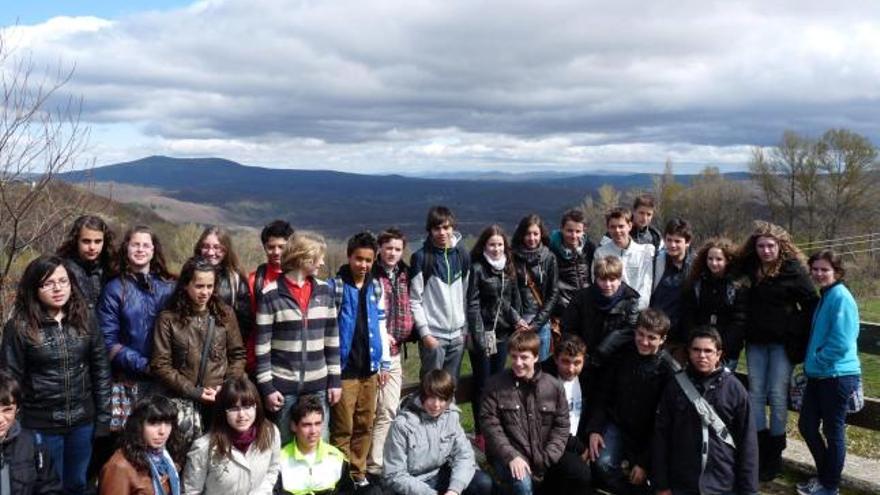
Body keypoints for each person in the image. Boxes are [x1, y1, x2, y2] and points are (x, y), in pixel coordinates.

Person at [1, 255, 112, 494]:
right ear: (34, 288)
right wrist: (14, 425)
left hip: (82, 421)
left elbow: (101, 369)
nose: (58, 288)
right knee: (47, 487)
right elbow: (10, 379)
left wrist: (103, 417)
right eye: (48, 283)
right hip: (40, 424)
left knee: (77, 484)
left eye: (63, 281)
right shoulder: (19, 326)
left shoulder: (85, 318)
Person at [738, 221, 817, 481]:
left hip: (782, 344)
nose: (766, 250)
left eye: (771, 245)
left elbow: (810, 303)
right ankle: (759, 450)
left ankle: (775, 453)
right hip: (756, 342)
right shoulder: (751, 266)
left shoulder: (793, 270)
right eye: (761, 245)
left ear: (780, 246)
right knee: (756, 393)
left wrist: (791, 327)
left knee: (778, 394)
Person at [254, 233, 340, 446]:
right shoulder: (270, 294)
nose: (322, 262)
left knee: (320, 443)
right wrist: (267, 388)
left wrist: (335, 381)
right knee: (284, 445)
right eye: (318, 257)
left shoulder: (325, 292)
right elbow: (262, 347)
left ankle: (320, 481)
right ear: (304, 258)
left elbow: (332, 340)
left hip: (319, 385)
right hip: (283, 388)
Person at [151, 257, 247, 444]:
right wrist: (194, 391)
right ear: (186, 285)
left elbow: (237, 355)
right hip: (181, 402)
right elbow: (160, 364)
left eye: (210, 286)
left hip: (220, 400)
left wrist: (226, 386)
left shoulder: (225, 314)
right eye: (199, 286)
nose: (205, 292)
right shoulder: (168, 319)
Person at [652, 327, 758, 495]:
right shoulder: (674, 387)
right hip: (681, 484)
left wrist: (749, 491)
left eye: (708, 351)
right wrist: (662, 484)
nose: (702, 356)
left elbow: (748, 444)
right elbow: (661, 436)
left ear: (719, 354)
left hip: (721, 485)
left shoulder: (735, 390)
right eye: (696, 350)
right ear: (689, 351)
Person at [480, 331, 579, 495]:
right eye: (514, 356)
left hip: (544, 456)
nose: (518, 363)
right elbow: (490, 427)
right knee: (523, 483)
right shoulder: (495, 386)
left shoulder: (553, 387)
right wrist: (511, 456)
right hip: (508, 456)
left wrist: (548, 457)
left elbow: (561, 426)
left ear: (536, 357)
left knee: (575, 473)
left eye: (524, 357)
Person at [796, 250, 862, 495]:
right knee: (807, 425)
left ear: (837, 271)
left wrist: (816, 360)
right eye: (815, 269)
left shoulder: (841, 297)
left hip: (837, 376)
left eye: (825, 269)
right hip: (820, 375)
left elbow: (842, 342)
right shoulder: (827, 295)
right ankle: (825, 477)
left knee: (833, 432)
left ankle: (830, 486)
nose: (819, 274)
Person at [327, 232, 390, 487]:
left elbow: (382, 324)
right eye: (358, 259)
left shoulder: (376, 286)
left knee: (365, 424)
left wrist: (384, 361)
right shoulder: (336, 286)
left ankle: (358, 473)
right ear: (349, 256)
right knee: (343, 427)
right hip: (345, 370)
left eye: (368, 260)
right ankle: (341, 479)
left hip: (370, 369)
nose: (363, 265)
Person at [586, 309, 672, 495]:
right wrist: (595, 428)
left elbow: (664, 424)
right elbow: (603, 394)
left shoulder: (668, 370)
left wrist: (644, 462)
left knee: (653, 478)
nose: (644, 341)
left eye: (651, 338)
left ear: (662, 340)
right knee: (601, 464)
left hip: (649, 433)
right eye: (640, 334)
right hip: (617, 424)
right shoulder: (621, 355)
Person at [383, 369, 495, 495]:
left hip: (441, 474)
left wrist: (454, 489)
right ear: (423, 395)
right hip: (414, 484)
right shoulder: (402, 425)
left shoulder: (451, 416)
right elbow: (394, 474)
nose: (436, 405)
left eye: (442, 399)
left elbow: (464, 455)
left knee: (483, 483)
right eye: (431, 397)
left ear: (449, 399)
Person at [98, 225, 176, 400]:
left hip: (166, 381)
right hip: (128, 382)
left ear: (153, 250)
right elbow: (108, 341)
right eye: (135, 245)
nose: (140, 249)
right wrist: (146, 366)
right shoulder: (114, 289)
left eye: (146, 245)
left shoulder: (169, 288)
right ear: (126, 248)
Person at [466, 224, 525, 450]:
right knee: (483, 384)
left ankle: (495, 426)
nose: (496, 249)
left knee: (499, 382)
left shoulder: (507, 268)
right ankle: (481, 432)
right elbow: (472, 304)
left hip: (501, 334)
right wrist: (480, 337)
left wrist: (517, 319)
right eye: (492, 244)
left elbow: (506, 302)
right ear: (484, 245)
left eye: (500, 244)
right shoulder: (478, 268)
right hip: (482, 335)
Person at [366, 228, 413, 480]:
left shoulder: (405, 273)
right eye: (388, 248)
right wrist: (383, 339)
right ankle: (361, 465)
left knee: (389, 408)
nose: (392, 253)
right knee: (371, 410)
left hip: (395, 355)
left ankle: (377, 465)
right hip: (374, 356)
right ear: (379, 249)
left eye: (397, 249)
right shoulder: (371, 275)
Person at [183, 376, 281, 495]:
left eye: (247, 406)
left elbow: (272, 469)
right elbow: (191, 491)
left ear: (256, 406)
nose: (242, 415)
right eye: (234, 409)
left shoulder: (270, 432)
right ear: (222, 411)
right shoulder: (204, 447)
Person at [409, 206, 470, 381]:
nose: (442, 232)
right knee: (431, 389)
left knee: (451, 388)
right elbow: (414, 300)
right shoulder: (421, 258)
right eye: (437, 228)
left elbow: (466, 295)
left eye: (446, 227)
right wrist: (425, 334)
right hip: (433, 338)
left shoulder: (462, 255)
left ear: (453, 228)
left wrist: (463, 332)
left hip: (457, 337)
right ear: (430, 230)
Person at [561, 255, 640, 372]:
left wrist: (604, 349)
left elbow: (630, 330)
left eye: (612, 280)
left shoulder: (630, 299)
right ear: (596, 279)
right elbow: (568, 328)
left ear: (620, 279)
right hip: (585, 359)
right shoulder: (581, 297)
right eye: (603, 279)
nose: (607, 285)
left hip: (616, 361)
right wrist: (580, 351)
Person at [681, 238, 748, 370]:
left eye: (719, 259)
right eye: (710, 259)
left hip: (726, 351)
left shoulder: (737, 286)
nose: (713, 263)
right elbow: (688, 314)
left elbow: (739, 320)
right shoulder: (696, 283)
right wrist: (693, 342)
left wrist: (722, 348)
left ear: (728, 260)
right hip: (699, 349)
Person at [99, 395, 184, 495]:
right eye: (154, 423)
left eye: (168, 423)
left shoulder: (165, 456)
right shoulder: (119, 467)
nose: (162, 431)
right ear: (139, 426)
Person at [540, 335, 592, 492]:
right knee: (580, 473)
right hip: (551, 443)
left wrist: (592, 434)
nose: (571, 368)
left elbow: (597, 407)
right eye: (565, 361)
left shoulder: (587, 378)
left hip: (577, 440)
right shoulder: (544, 381)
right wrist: (580, 448)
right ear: (556, 359)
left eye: (577, 363)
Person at [0, 368, 63, 494]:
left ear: (17, 410)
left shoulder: (33, 444)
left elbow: (49, 488)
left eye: (7, 410)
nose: (0, 419)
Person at [275, 397, 354, 495]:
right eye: (306, 425)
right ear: (293, 426)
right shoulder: (279, 461)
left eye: (317, 424)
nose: (313, 431)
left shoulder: (337, 458)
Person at [246, 220, 295, 374]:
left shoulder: (301, 278)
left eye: (281, 247)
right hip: (261, 359)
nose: (276, 252)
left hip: (293, 358)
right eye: (271, 247)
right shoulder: (254, 280)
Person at [193, 226, 253, 342]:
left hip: (222, 351)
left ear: (226, 250)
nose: (211, 252)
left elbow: (244, 323)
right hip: (191, 346)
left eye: (217, 248)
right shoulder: (188, 275)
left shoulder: (235, 280)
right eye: (206, 246)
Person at [512, 214, 559, 361]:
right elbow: (506, 292)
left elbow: (553, 293)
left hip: (541, 324)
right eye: (527, 234)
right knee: (520, 366)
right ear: (521, 235)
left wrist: (536, 324)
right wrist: (517, 320)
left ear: (541, 234)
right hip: (518, 323)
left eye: (535, 234)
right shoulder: (512, 258)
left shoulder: (549, 258)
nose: (532, 238)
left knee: (540, 367)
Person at [593, 208, 654, 309]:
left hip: (637, 311)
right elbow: (598, 284)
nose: (617, 231)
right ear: (607, 228)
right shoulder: (601, 253)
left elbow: (646, 286)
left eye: (621, 226)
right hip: (610, 311)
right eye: (613, 227)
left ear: (630, 226)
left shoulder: (644, 253)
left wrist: (636, 311)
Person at [56, 214, 116, 311]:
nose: (92, 247)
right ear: (76, 241)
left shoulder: (111, 268)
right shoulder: (62, 269)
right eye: (86, 241)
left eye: (98, 241)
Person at [649, 218, 694, 347]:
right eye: (669, 240)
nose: (672, 245)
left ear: (687, 242)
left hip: (683, 337)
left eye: (677, 241)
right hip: (656, 332)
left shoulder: (696, 266)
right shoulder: (656, 262)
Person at [548, 209, 594, 321]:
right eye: (569, 231)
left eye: (578, 231)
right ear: (561, 229)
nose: (573, 236)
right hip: (563, 309)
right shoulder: (551, 250)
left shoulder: (589, 248)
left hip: (587, 306)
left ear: (584, 231)